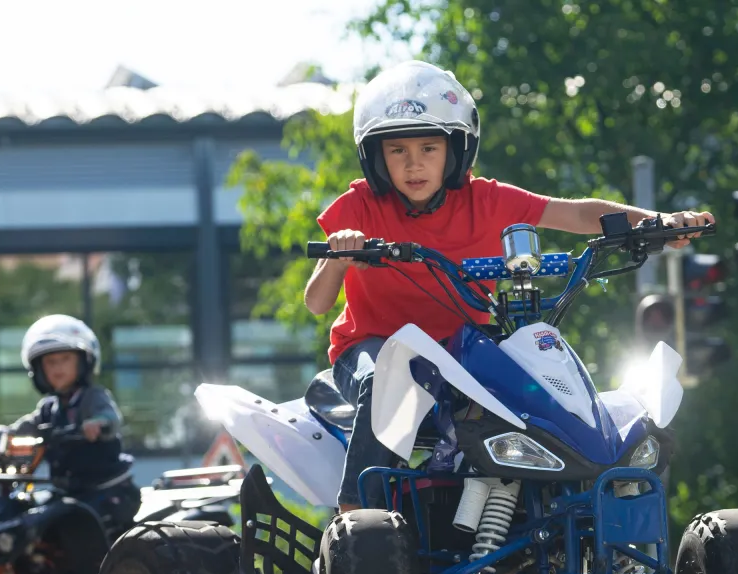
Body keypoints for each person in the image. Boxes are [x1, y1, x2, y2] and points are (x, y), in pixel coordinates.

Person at [306, 60, 715, 513]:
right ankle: (359, 521)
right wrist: (338, 258)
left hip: (463, 352)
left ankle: (548, 516)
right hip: (373, 347)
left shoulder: (486, 200)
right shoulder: (359, 206)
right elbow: (317, 302)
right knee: (392, 380)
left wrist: (656, 223)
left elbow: (578, 214)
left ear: (456, 151)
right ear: (376, 157)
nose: (414, 163)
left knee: (538, 397)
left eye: (428, 147)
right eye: (397, 150)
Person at [0, 314, 141, 539]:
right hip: (67, 493)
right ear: (39, 370)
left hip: (107, 492)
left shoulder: (93, 397)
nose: (58, 367)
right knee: (26, 520)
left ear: (84, 362)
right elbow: (15, 433)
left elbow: (111, 418)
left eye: (66, 359)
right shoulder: (48, 409)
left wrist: (97, 424)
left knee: (72, 533)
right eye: (50, 362)